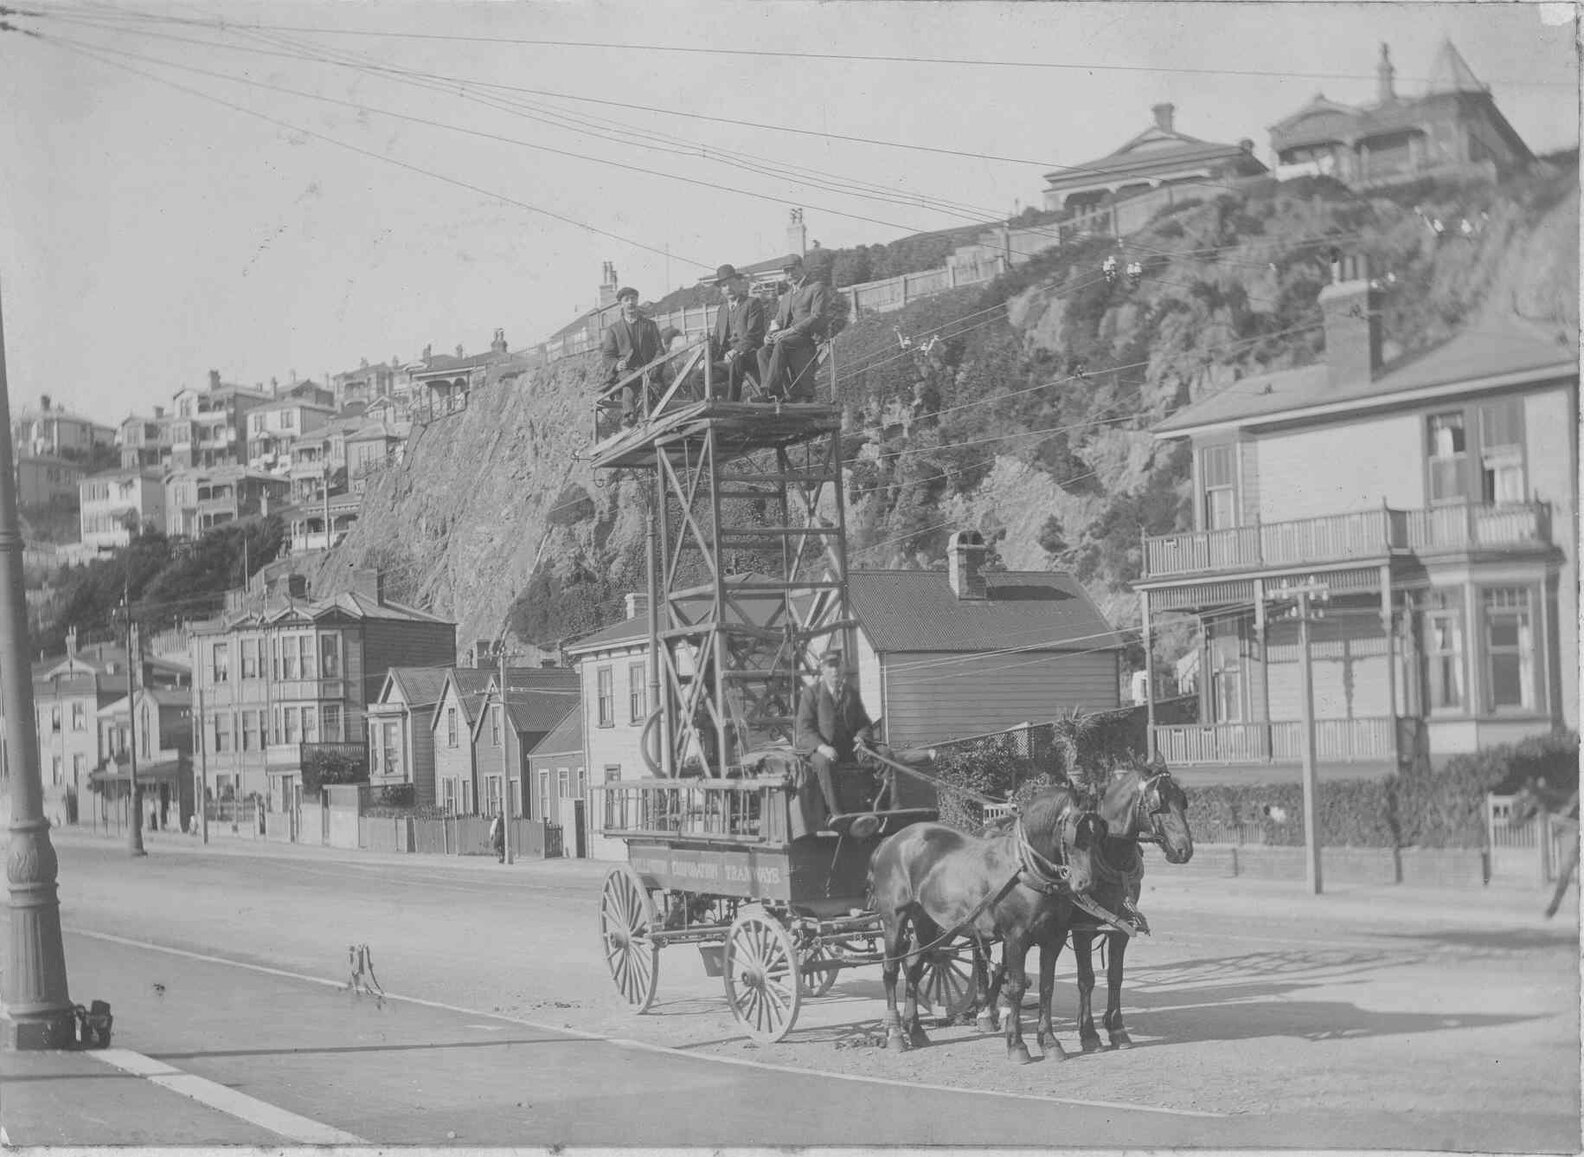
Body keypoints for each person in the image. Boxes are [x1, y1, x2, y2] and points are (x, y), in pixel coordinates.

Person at [794, 651, 875, 818]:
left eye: (837, 665)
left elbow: (864, 723)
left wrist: (861, 738)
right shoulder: (811, 693)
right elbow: (805, 728)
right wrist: (823, 747)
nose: (835, 670)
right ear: (822, 670)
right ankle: (838, 815)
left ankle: (891, 811)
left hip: (849, 749)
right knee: (825, 763)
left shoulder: (851, 693)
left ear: (842, 667)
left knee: (885, 756)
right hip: (818, 750)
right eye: (830, 666)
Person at [755, 257, 829, 403]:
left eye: (793, 269)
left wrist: (790, 331)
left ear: (802, 268)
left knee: (782, 343)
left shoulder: (816, 287)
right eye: (786, 271)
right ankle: (769, 392)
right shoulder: (787, 296)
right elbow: (778, 321)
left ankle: (771, 390)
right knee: (763, 351)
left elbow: (817, 316)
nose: (790, 274)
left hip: (806, 337)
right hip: (788, 339)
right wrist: (768, 335)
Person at [599, 287, 664, 428]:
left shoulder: (649, 326)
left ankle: (650, 419)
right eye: (626, 300)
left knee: (654, 388)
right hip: (626, 372)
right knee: (628, 382)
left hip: (648, 369)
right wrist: (617, 364)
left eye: (633, 299)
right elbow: (607, 356)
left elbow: (660, 350)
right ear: (620, 304)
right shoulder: (614, 329)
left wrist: (654, 367)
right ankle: (629, 415)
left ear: (637, 301)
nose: (630, 303)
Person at [708, 264, 765, 402]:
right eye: (724, 285)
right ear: (721, 290)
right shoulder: (722, 310)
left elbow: (754, 334)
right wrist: (706, 358)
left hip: (750, 355)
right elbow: (716, 339)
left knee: (736, 361)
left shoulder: (752, 303)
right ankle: (706, 412)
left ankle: (732, 405)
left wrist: (736, 350)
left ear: (739, 283)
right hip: (727, 359)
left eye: (732, 283)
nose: (729, 288)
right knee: (697, 377)